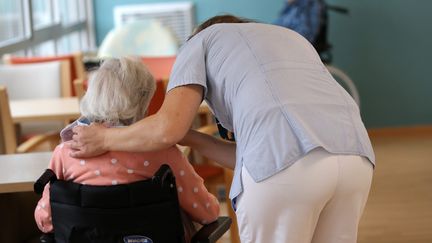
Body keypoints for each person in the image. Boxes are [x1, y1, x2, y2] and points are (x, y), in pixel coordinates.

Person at [70, 15, 375, 243]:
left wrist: (104, 137)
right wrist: (194, 138)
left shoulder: (198, 43)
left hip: (287, 172)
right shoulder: (288, 37)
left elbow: (167, 128)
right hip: (355, 157)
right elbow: (259, 155)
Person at [34, 57, 219, 241]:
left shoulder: (66, 153)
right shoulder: (162, 151)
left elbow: (46, 221)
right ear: (143, 102)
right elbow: (207, 212)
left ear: (91, 95)